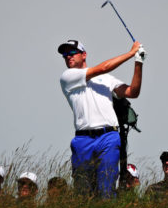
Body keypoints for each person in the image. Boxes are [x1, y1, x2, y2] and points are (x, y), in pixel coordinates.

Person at [58, 39, 147, 199]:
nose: (67, 57)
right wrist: (131, 52)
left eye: (72, 52)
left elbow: (132, 92)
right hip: (82, 139)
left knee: (106, 190)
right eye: (65, 54)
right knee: (83, 194)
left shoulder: (106, 79)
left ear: (84, 55)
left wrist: (138, 62)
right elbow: (103, 67)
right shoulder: (67, 77)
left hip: (108, 137)